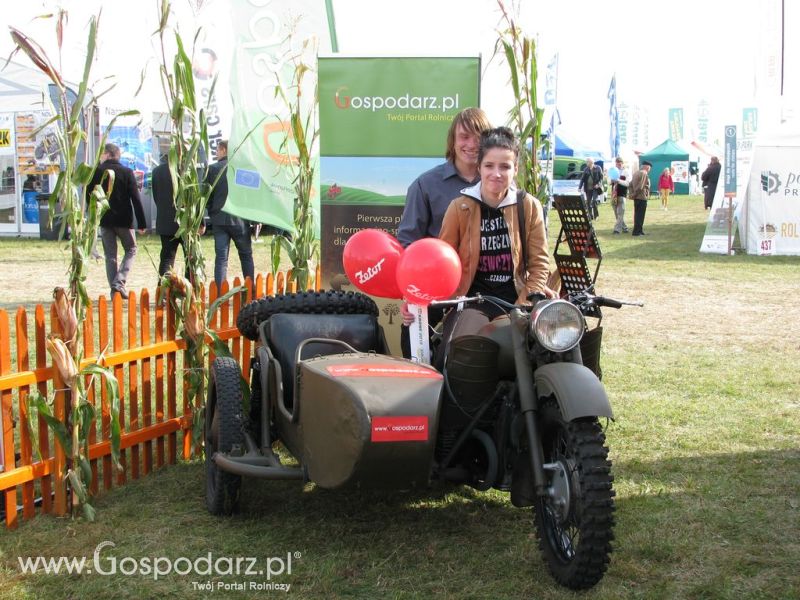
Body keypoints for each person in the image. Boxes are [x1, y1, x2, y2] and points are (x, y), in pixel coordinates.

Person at [402, 127, 554, 368]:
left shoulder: (528, 206)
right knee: (457, 353)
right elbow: (440, 264)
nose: (497, 173)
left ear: (515, 169)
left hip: (516, 300)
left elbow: (539, 264)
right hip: (472, 300)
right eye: (489, 166)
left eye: (505, 166)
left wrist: (525, 304)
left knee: (536, 353)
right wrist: (416, 301)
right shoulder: (460, 207)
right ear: (480, 168)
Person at [397, 107, 492, 358]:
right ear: (453, 140)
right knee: (414, 349)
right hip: (436, 289)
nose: (472, 144)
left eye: (479, 136)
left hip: (487, 289)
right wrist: (411, 295)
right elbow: (408, 243)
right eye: (464, 137)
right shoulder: (425, 185)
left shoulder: (497, 183)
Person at [89, 143, 146, 299]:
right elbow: (135, 198)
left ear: (107, 154)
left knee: (110, 256)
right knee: (131, 249)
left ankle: (115, 291)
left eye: (102, 154)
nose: (100, 158)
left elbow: (88, 195)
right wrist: (141, 222)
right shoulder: (126, 172)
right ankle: (119, 283)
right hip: (124, 219)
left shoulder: (97, 172)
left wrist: (92, 216)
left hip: (105, 220)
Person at [206, 140, 254, 287]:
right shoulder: (241, 168)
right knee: (245, 256)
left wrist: (212, 212)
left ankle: (219, 293)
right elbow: (249, 195)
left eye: (218, 150)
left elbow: (207, 195)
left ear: (224, 150)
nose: (216, 153)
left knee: (221, 258)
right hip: (239, 220)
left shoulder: (213, 169)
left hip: (219, 219)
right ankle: (250, 289)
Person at [152, 153, 193, 283]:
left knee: (167, 258)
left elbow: (156, 195)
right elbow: (194, 199)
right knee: (190, 258)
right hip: (186, 222)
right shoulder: (186, 171)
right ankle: (190, 289)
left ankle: (163, 292)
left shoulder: (157, 171)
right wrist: (201, 221)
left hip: (166, 220)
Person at [629, 160, 652, 237]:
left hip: (637, 197)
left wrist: (632, 194)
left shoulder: (635, 173)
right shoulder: (644, 173)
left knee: (637, 214)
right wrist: (634, 194)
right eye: (649, 168)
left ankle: (640, 231)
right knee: (640, 215)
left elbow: (630, 184)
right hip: (641, 197)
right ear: (647, 167)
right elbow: (641, 186)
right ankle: (637, 232)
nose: (649, 170)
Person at [607, 156, 629, 234]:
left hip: (622, 194)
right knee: (616, 213)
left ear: (622, 163)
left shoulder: (626, 171)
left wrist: (618, 181)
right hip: (614, 194)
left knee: (620, 212)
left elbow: (628, 183)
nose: (618, 165)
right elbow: (608, 182)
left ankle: (617, 230)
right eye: (617, 163)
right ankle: (625, 227)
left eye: (620, 163)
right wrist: (611, 181)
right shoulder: (613, 170)